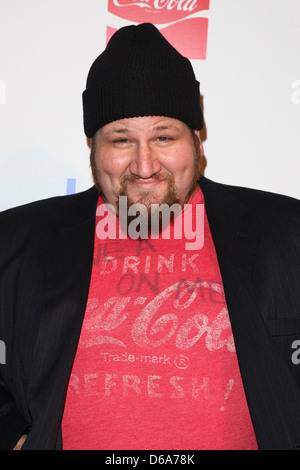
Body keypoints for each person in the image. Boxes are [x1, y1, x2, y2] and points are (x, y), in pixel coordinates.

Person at [0, 23, 300, 451]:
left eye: (164, 136)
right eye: (121, 139)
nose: (144, 165)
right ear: (92, 146)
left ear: (197, 139)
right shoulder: (14, 242)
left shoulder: (288, 234)